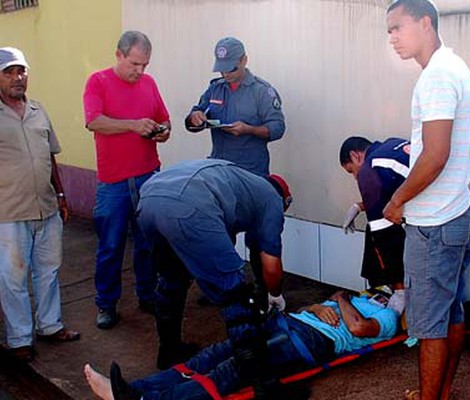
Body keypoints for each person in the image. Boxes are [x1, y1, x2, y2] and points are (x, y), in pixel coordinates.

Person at [384, 1, 470, 399]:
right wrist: (455, 172)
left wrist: (397, 200)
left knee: (429, 324)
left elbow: (435, 154)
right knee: (451, 311)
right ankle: (442, 392)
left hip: (433, 224)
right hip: (458, 212)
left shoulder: (435, 77)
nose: (392, 38)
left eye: (397, 28)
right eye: (389, 31)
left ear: (424, 23)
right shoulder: (456, 65)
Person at [135, 159, 293, 398]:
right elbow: (270, 265)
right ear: (285, 199)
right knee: (236, 294)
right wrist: (275, 294)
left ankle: (169, 351)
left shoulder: (240, 182)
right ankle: (265, 385)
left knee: (171, 279)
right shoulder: (271, 199)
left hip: (149, 198)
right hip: (190, 203)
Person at [83, 289, 399, 400]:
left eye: (392, 295)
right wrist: (318, 307)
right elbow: (314, 309)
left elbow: (358, 327)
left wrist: (341, 298)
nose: (385, 294)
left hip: (308, 342)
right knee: (210, 356)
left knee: (231, 369)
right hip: (292, 324)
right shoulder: (363, 298)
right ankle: (135, 390)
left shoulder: (388, 319)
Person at [83, 30, 171, 329]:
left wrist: (163, 130)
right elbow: (94, 121)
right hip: (114, 181)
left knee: (148, 243)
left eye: (144, 65)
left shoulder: (149, 83)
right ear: (119, 55)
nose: (140, 71)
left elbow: (164, 118)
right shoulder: (98, 81)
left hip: (148, 175)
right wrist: (133, 125)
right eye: (134, 63)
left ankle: (147, 295)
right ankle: (106, 304)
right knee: (111, 245)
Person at [0, 47, 80, 362]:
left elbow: (50, 156)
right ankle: (20, 338)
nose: (17, 78)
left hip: (46, 207)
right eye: (8, 72)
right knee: (13, 276)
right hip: (8, 211)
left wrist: (60, 195)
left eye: (21, 71)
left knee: (48, 270)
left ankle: (49, 325)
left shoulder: (37, 110)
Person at [184, 36, 285, 176]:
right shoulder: (215, 88)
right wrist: (194, 118)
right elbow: (194, 119)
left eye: (231, 69)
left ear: (244, 60)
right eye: (222, 69)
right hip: (219, 169)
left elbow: (278, 128)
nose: (226, 74)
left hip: (250, 172)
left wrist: (250, 130)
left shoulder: (262, 91)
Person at [339, 136, 411, 316]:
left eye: (351, 171)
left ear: (355, 156)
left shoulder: (369, 169)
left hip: (433, 225)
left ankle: (393, 288)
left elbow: (385, 236)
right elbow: (397, 192)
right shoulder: (392, 145)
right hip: (456, 208)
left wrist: (400, 290)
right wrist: (360, 206)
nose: (356, 177)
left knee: (376, 232)